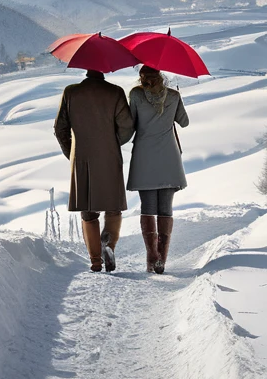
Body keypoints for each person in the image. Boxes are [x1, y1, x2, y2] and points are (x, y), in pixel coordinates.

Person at [54, 68, 134, 272]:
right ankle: (108, 245)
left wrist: (71, 152)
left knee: (88, 211)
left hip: (81, 157)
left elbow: (60, 127)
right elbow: (127, 127)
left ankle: (95, 260)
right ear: (104, 71)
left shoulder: (71, 92)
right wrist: (113, 143)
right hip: (109, 155)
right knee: (113, 207)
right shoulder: (115, 92)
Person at [127, 65, 189, 273]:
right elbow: (184, 122)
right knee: (165, 209)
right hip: (169, 157)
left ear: (142, 77)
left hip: (144, 156)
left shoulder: (136, 95)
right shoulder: (173, 95)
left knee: (148, 208)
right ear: (161, 76)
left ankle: (151, 257)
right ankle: (162, 258)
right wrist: (177, 99)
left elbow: (132, 123)